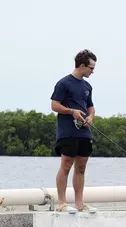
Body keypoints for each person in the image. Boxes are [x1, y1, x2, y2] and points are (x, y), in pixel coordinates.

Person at [50, 49, 98, 213]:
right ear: (82, 66)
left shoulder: (87, 86)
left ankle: (79, 204)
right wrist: (72, 112)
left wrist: (90, 117)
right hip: (67, 132)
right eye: (91, 68)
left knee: (81, 167)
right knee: (66, 165)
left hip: (84, 133)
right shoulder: (64, 83)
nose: (93, 71)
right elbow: (54, 105)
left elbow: (91, 108)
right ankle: (62, 204)